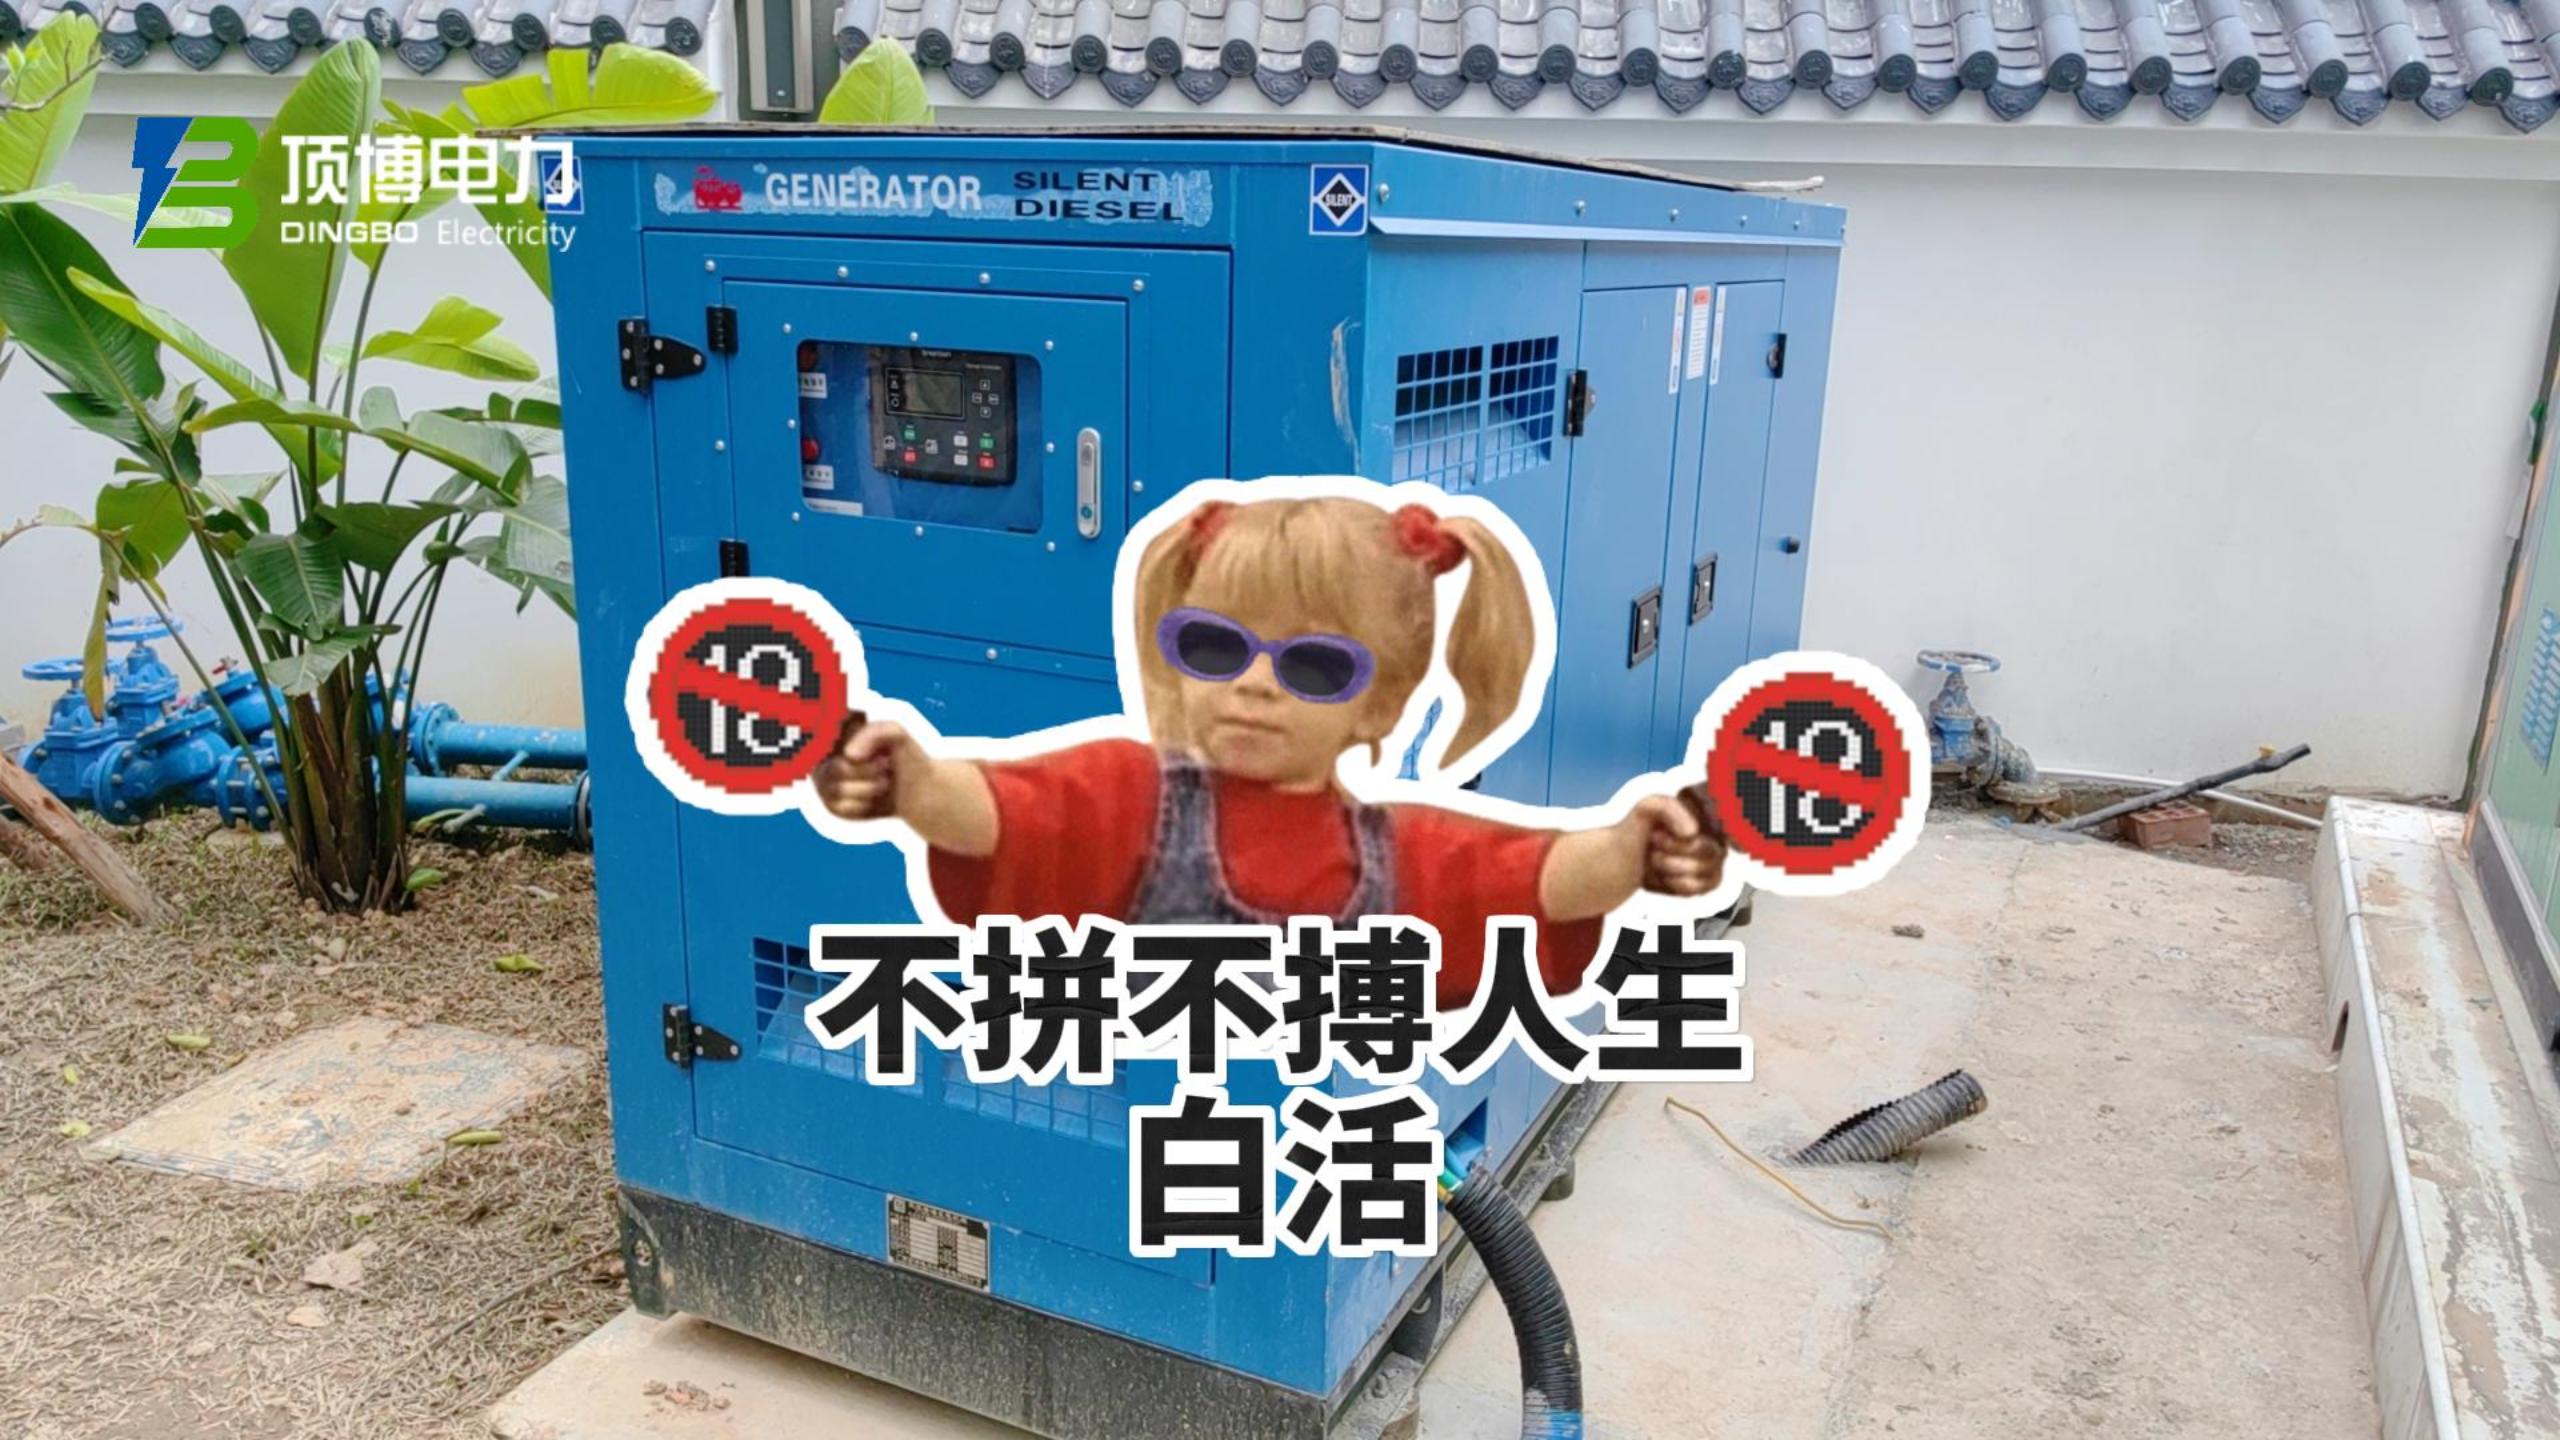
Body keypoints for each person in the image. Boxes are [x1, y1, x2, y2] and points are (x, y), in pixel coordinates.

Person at [814, 492, 1725, 1007]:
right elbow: (1010, 815)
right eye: (1215, 647)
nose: (1253, 684)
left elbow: (1526, 882)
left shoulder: (1402, 852)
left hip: (1304, 1145)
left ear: (1382, 705)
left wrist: (1632, 849)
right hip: (1147, 1117)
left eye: (1313, 665)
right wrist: (911, 782)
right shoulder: (1132, 793)